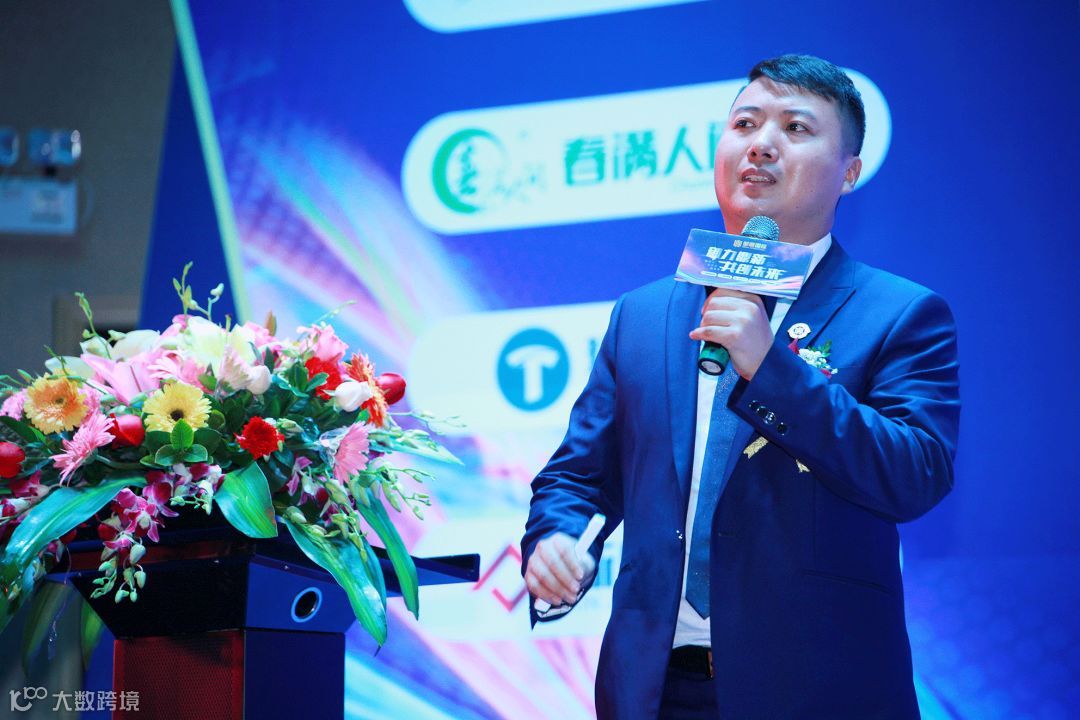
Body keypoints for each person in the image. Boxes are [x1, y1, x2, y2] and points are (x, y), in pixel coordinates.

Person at [521, 54, 960, 719]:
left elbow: (915, 473)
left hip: (818, 693)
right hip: (655, 691)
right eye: (745, 124)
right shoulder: (644, 314)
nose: (761, 144)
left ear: (849, 173)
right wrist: (556, 539)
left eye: (796, 128)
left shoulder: (899, 313)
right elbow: (578, 476)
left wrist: (771, 369)